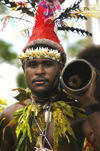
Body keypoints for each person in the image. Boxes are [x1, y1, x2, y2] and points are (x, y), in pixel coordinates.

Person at [0, 1, 100, 151]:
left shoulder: (79, 113)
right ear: (23, 68)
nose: (40, 71)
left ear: (60, 67)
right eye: (33, 65)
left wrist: (89, 103)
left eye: (47, 64)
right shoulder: (8, 116)